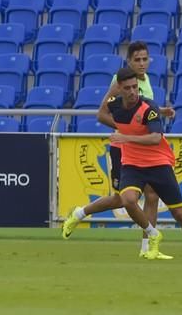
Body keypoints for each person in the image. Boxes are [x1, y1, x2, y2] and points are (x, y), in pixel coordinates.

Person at [62, 42, 174, 259]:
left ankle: (148, 248)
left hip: (144, 149)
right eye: (137, 60)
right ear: (129, 62)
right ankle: (79, 213)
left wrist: (160, 111)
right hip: (123, 149)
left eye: (145, 59)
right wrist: (126, 130)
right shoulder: (120, 82)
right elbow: (102, 114)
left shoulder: (146, 80)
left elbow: (139, 109)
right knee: (121, 199)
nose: (142, 63)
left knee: (152, 194)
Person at [94, 67, 182, 263]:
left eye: (135, 87)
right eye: (127, 88)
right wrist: (120, 124)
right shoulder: (115, 104)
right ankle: (153, 233)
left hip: (158, 163)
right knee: (128, 199)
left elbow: (156, 138)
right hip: (132, 163)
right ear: (119, 89)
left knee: (179, 213)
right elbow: (101, 114)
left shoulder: (149, 107)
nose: (132, 92)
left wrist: (125, 136)